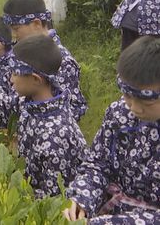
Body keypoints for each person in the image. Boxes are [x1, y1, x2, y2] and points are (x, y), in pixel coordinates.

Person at [0, 34, 85, 198]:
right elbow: (3, 105)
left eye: (14, 73)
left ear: (35, 79)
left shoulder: (55, 135)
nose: (10, 79)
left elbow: (53, 201)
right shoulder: (32, 104)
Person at [64, 36, 160, 223]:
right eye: (127, 96)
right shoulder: (119, 114)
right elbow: (98, 164)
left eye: (146, 101)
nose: (134, 108)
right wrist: (82, 198)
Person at [3, 0, 87, 121]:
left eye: (16, 29)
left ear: (36, 24)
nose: (13, 35)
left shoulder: (62, 62)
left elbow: (72, 108)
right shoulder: (24, 51)